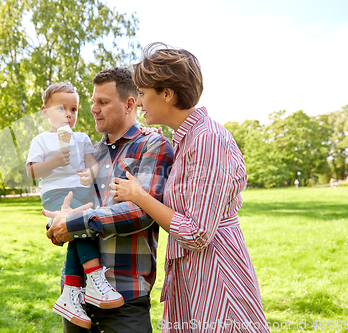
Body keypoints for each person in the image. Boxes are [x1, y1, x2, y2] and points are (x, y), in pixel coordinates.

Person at [110, 43, 270, 332]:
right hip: (194, 271)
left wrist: (138, 196)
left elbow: (196, 233)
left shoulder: (208, 139)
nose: (140, 101)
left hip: (217, 275)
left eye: (144, 93)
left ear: (167, 94)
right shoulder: (186, 139)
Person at [43, 67, 175, 332]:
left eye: (102, 102)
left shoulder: (153, 145)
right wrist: (57, 224)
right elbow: (65, 207)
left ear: (129, 104)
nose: (93, 108)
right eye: (93, 101)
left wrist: (74, 223)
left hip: (124, 296)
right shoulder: (89, 152)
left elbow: (142, 212)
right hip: (76, 297)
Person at [26, 83, 124, 329]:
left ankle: (71, 292)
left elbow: (92, 164)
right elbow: (32, 171)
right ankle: (93, 277)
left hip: (80, 192)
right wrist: (55, 160)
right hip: (55, 194)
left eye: (74, 109)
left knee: (81, 230)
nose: (69, 114)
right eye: (61, 109)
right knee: (80, 228)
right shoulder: (41, 140)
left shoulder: (81, 138)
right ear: (45, 112)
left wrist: (89, 175)